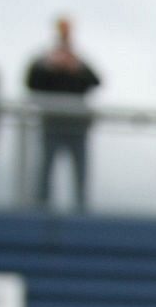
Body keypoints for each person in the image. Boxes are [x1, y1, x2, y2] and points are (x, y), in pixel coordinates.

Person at [25, 16, 101, 212]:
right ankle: (40, 206)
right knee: (46, 168)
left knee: (80, 170)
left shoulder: (78, 62)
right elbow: (31, 82)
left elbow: (96, 81)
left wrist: (76, 67)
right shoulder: (45, 61)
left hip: (77, 126)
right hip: (52, 124)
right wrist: (50, 65)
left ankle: (81, 208)